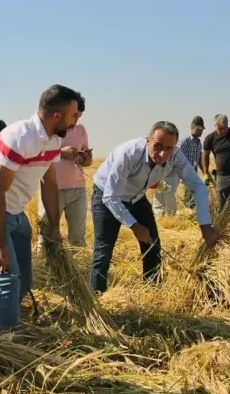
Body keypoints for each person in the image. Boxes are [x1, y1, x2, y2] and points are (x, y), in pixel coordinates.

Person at [0, 85, 83, 334]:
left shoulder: (54, 139)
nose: (76, 121)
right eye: (73, 115)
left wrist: (53, 227)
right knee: (8, 281)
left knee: (24, 282)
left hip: (16, 215)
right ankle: (5, 343)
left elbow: (49, 182)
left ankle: (0, 328)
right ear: (57, 115)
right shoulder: (20, 137)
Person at [90, 122, 219, 292]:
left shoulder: (175, 156)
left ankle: (152, 289)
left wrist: (205, 225)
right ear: (147, 140)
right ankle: (97, 297)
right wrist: (135, 226)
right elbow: (110, 196)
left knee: (153, 244)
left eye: (168, 148)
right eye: (157, 146)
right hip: (106, 197)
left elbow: (198, 185)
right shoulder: (128, 154)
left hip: (136, 197)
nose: (162, 153)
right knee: (104, 248)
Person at [39, 98, 91, 247]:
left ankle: (77, 269)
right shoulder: (50, 129)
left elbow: (87, 162)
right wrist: (62, 152)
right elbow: (39, 153)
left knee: (77, 237)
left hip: (78, 189)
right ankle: (44, 268)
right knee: (46, 235)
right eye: (74, 116)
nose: (75, 121)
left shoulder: (81, 130)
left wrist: (85, 158)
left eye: (78, 117)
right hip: (52, 189)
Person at [174, 116, 205, 211]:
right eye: (199, 129)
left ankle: (189, 211)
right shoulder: (185, 142)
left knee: (193, 193)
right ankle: (188, 211)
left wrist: (205, 172)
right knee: (194, 191)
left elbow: (200, 159)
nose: (201, 131)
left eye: (202, 129)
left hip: (193, 174)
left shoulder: (199, 143)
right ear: (192, 126)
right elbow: (176, 159)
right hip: (184, 174)